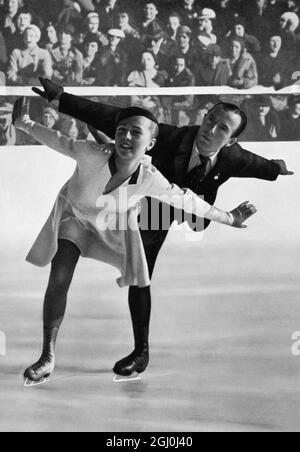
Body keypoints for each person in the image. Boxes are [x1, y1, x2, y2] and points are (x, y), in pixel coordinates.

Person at [32, 79, 293, 379]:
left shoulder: (234, 157)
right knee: (140, 275)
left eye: (223, 129)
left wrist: (276, 168)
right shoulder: (172, 137)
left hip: (191, 210)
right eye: (210, 120)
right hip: (154, 205)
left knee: (160, 255)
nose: (211, 130)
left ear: (231, 140)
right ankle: (140, 352)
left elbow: (258, 165)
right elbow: (112, 115)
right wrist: (61, 100)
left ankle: (139, 346)